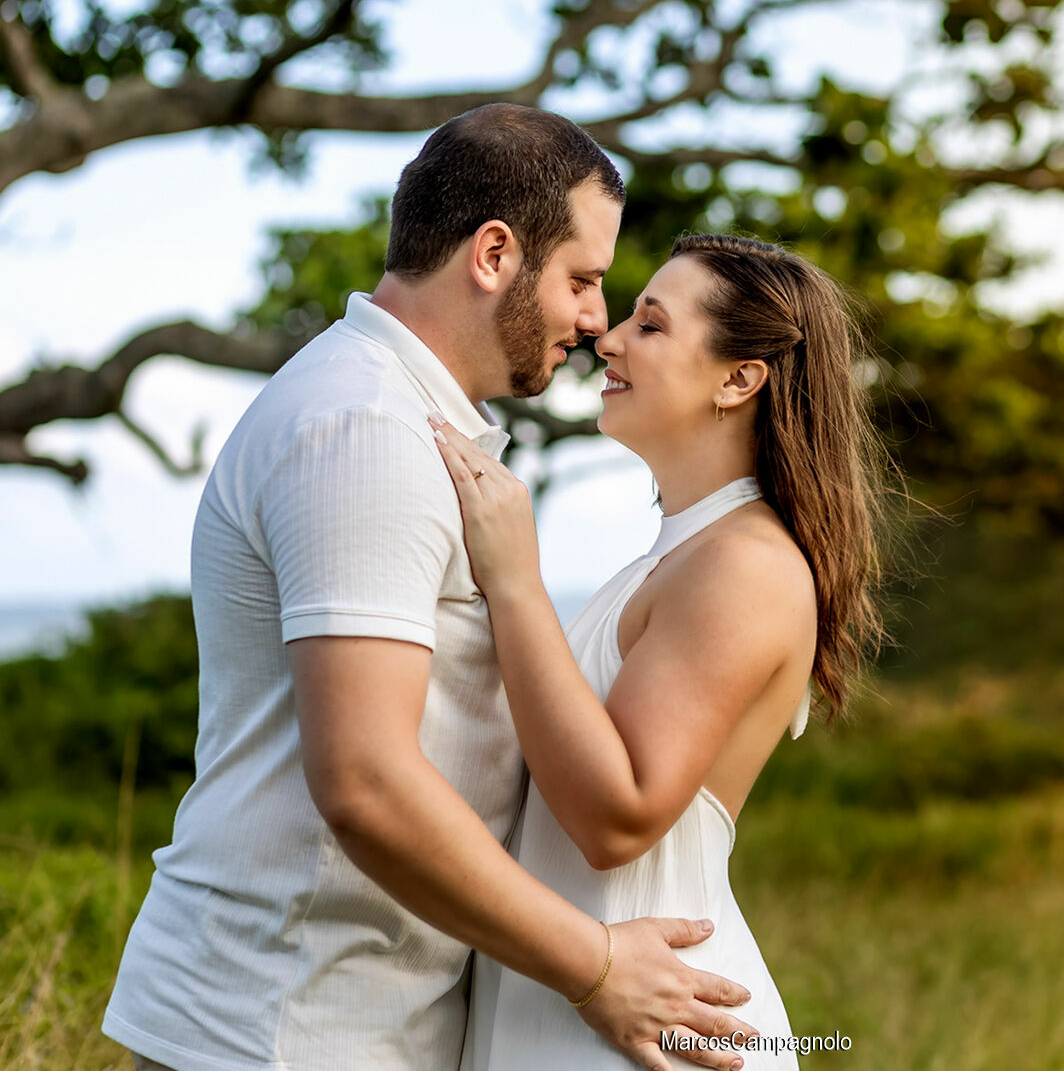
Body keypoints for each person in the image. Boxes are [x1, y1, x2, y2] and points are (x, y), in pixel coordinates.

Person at [102, 105, 755, 1071]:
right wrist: (596, 966)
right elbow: (365, 780)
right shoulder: (364, 428)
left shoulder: (399, 417)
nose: (593, 320)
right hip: (280, 1027)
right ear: (493, 254)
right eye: (582, 279)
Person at [430, 232, 890, 1069]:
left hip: (657, 1026)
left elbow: (618, 816)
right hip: (587, 1004)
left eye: (649, 325)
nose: (606, 338)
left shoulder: (743, 567)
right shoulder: (678, 557)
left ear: (738, 378)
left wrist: (516, 582)